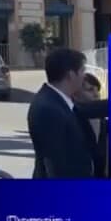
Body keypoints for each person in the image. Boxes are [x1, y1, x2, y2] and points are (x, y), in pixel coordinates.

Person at [26, 47, 95, 178]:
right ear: (70, 75)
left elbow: (88, 110)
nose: (84, 76)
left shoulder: (58, 100)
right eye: (82, 71)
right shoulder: (47, 109)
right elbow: (55, 164)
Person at [75, 73, 109, 178]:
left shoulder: (101, 119)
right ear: (75, 95)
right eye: (90, 90)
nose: (96, 94)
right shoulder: (72, 116)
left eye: (97, 90)